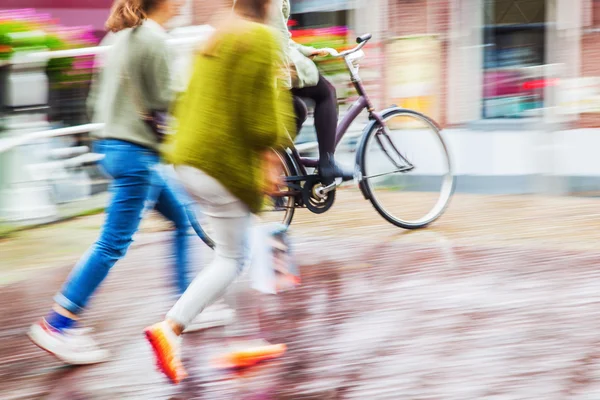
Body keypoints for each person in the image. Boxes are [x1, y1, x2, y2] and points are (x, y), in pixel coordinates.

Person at [26, 0, 212, 365]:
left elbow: (96, 98)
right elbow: (167, 100)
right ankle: (57, 324)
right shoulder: (154, 39)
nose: (181, 3)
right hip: (136, 156)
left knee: (182, 219)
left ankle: (185, 305)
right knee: (112, 244)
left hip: (114, 147)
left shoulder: (120, 36)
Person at [143, 0, 294, 384]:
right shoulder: (260, 38)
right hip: (221, 165)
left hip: (188, 160)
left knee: (234, 250)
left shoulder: (216, 33)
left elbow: (185, 99)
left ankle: (243, 338)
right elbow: (264, 124)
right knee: (231, 258)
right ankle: (171, 329)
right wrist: (272, 155)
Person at [270, 0, 353, 186]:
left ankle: (279, 173)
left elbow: (282, 34)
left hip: (267, 62)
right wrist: (283, 79)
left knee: (298, 110)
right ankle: (327, 163)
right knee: (327, 93)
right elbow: (276, 35)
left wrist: (308, 51)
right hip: (275, 65)